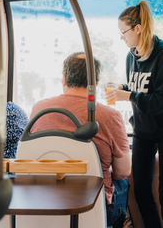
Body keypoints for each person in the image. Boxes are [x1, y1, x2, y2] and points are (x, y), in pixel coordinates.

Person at [30, 52, 131, 228]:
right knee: (122, 182)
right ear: (96, 83)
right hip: (94, 205)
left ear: (64, 79)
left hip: (45, 198)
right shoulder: (109, 116)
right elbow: (123, 171)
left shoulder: (39, 109)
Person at [107, 0, 163, 228]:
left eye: (124, 32)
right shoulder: (131, 56)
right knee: (140, 190)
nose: (122, 38)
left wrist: (128, 96)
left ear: (137, 28)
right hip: (143, 129)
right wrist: (123, 88)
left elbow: (162, 101)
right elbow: (139, 87)